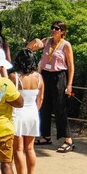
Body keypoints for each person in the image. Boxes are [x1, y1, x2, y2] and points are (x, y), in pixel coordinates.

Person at [28, 21, 76, 152]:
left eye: (57, 28)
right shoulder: (47, 41)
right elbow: (29, 48)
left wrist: (69, 84)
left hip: (58, 76)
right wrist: (35, 40)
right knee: (44, 106)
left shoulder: (66, 45)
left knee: (60, 107)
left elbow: (71, 66)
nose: (54, 30)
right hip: (45, 75)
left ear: (62, 32)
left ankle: (68, 139)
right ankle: (46, 136)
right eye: (53, 28)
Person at [10, 49, 43, 174]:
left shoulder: (14, 77)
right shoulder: (39, 77)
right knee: (30, 148)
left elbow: (9, 96)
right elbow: (40, 98)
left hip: (18, 113)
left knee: (18, 149)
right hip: (33, 113)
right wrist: (35, 110)